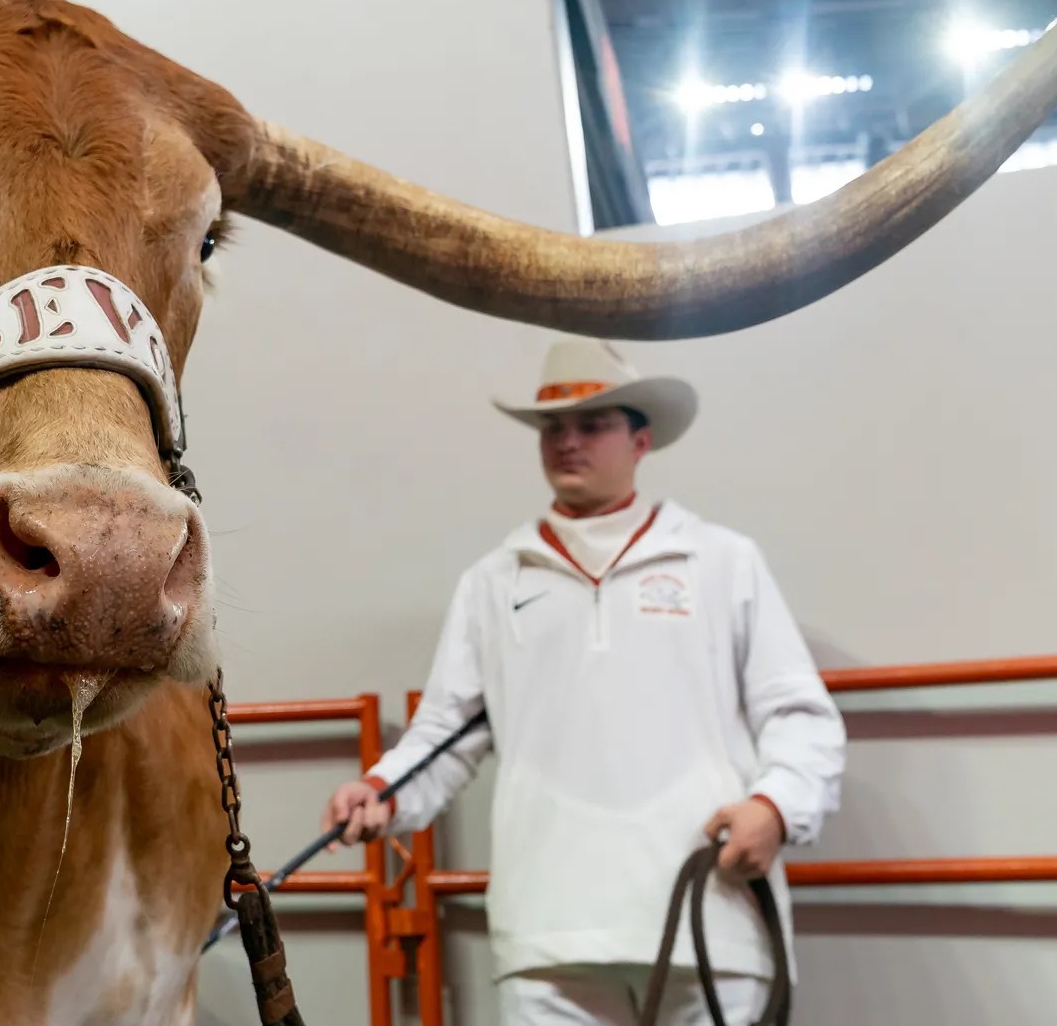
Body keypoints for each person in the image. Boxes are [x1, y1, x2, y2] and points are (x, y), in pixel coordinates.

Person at [322, 337, 844, 1026]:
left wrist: (776, 805)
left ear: (641, 440)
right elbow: (443, 734)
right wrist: (383, 791)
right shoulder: (493, 581)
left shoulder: (721, 562)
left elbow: (801, 714)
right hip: (548, 934)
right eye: (552, 427)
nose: (568, 442)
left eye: (593, 424)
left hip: (712, 920)